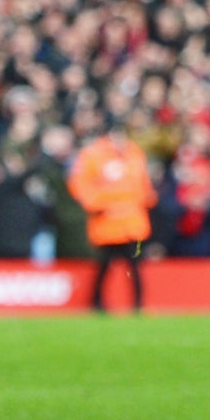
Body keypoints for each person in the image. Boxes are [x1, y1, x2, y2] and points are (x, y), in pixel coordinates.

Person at [69, 123, 156, 313]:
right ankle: (97, 303)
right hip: (107, 225)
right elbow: (81, 186)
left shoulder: (135, 154)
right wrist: (100, 205)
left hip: (132, 225)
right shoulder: (93, 156)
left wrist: (144, 199)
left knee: (134, 267)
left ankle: (138, 305)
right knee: (104, 267)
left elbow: (144, 187)